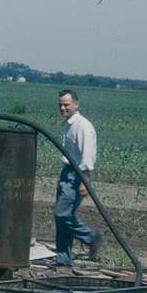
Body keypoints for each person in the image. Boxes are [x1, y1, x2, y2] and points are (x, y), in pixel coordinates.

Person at [54, 89, 102, 266]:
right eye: (60, 104)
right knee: (62, 215)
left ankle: (91, 237)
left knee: (61, 214)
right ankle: (63, 259)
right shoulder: (68, 123)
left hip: (78, 174)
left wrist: (84, 181)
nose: (62, 108)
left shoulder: (83, 126)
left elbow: (87, 156)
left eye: (66, 104)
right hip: (67, 172)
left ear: (76, 104)